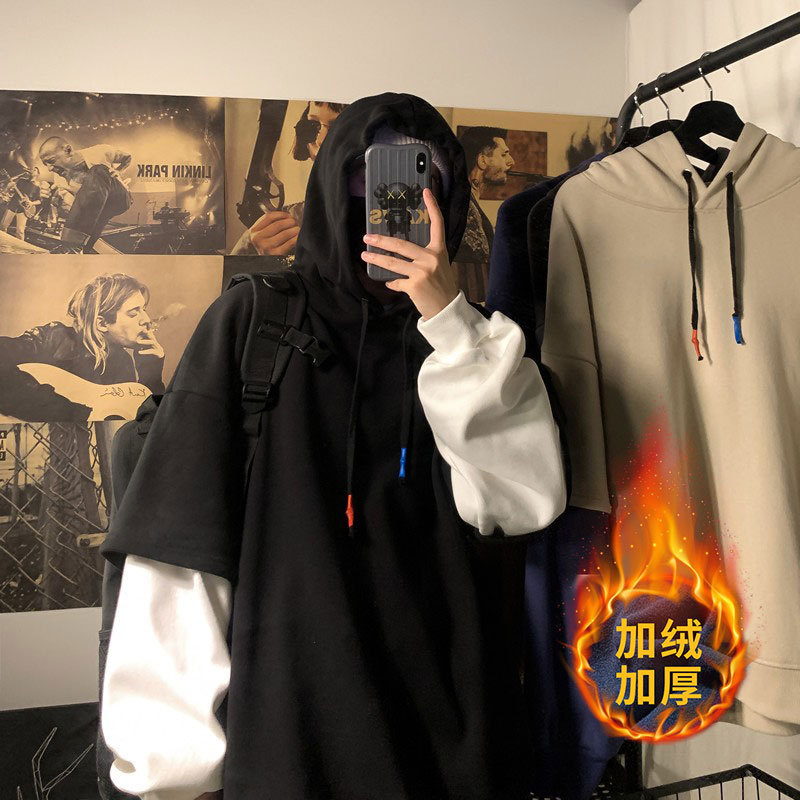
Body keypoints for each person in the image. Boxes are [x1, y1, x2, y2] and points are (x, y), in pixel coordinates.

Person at [100, 92, 567, 800]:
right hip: (292, 729)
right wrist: (169, 772)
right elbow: (181, 549)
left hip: (452, 738)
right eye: (369, 175)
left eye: (421, 177)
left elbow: (518, 504)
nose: (390, 202)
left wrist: (449, 322)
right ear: (331, 183)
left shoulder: (477, 343)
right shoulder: (254, 322)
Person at [0, 273, 165, 421]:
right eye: (134, 313)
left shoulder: (122, 362)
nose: (146, 319)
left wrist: (151, 374)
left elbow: (144, 423)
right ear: (102, 323)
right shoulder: (52, 338)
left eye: (144, 309)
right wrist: (74, 413)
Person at [231, 100, 348, 256]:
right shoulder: (274, 227)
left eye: (340, 128)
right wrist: (269, 262)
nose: (320, 140)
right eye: (313, 125)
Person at [452, 126, 515, 303]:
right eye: (504, 155)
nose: (511, 162)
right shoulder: (464, 205)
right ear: (482, 160)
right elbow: (473, 272)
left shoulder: (465, 200)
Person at [38, 136, 132, 253]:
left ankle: (70, 245)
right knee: (86, 247)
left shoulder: (99, 152)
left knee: (98, 170)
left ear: (68, 150)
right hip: (98, 208)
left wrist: (119, 171)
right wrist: (48, 201)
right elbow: (80, 208)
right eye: (45, 164)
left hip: (119, 198)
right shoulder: (59, 179)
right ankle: (78, 250)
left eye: (51, 161)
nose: (49, 168)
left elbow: (127, 157)